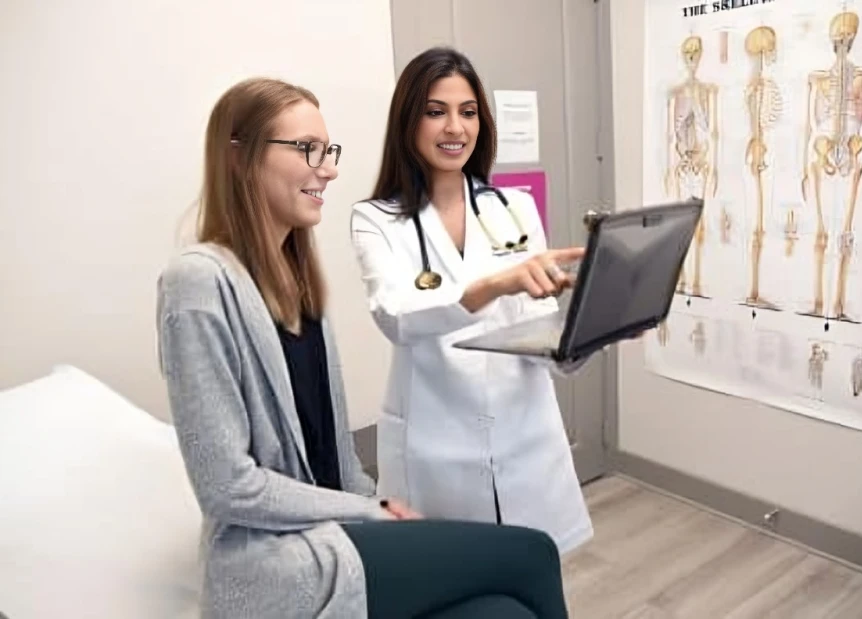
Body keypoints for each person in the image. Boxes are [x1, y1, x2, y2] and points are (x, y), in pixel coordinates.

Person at [156, 77, 570, 619]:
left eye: (328, 151)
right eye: (307, 149)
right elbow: (228, 488)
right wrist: (368, 509)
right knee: (532, 555)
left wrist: (374, 506)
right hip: (281, 561)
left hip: (342, 531)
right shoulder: (197, 283)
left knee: (504, 612)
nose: (327, 168)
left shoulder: (298, 281)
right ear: (239, 157)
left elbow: (334, 449)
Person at [349, 47, 594, 556]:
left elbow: (538, 331)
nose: (454, 127)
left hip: (525, 435)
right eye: (435, 112)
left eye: (468, 112)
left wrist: (596, 327)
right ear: (408, 121)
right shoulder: (375, 219)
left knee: (530, 582)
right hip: (436, 447)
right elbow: (395, 316)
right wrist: (496, 284)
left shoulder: (515, 207)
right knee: (451, 584)